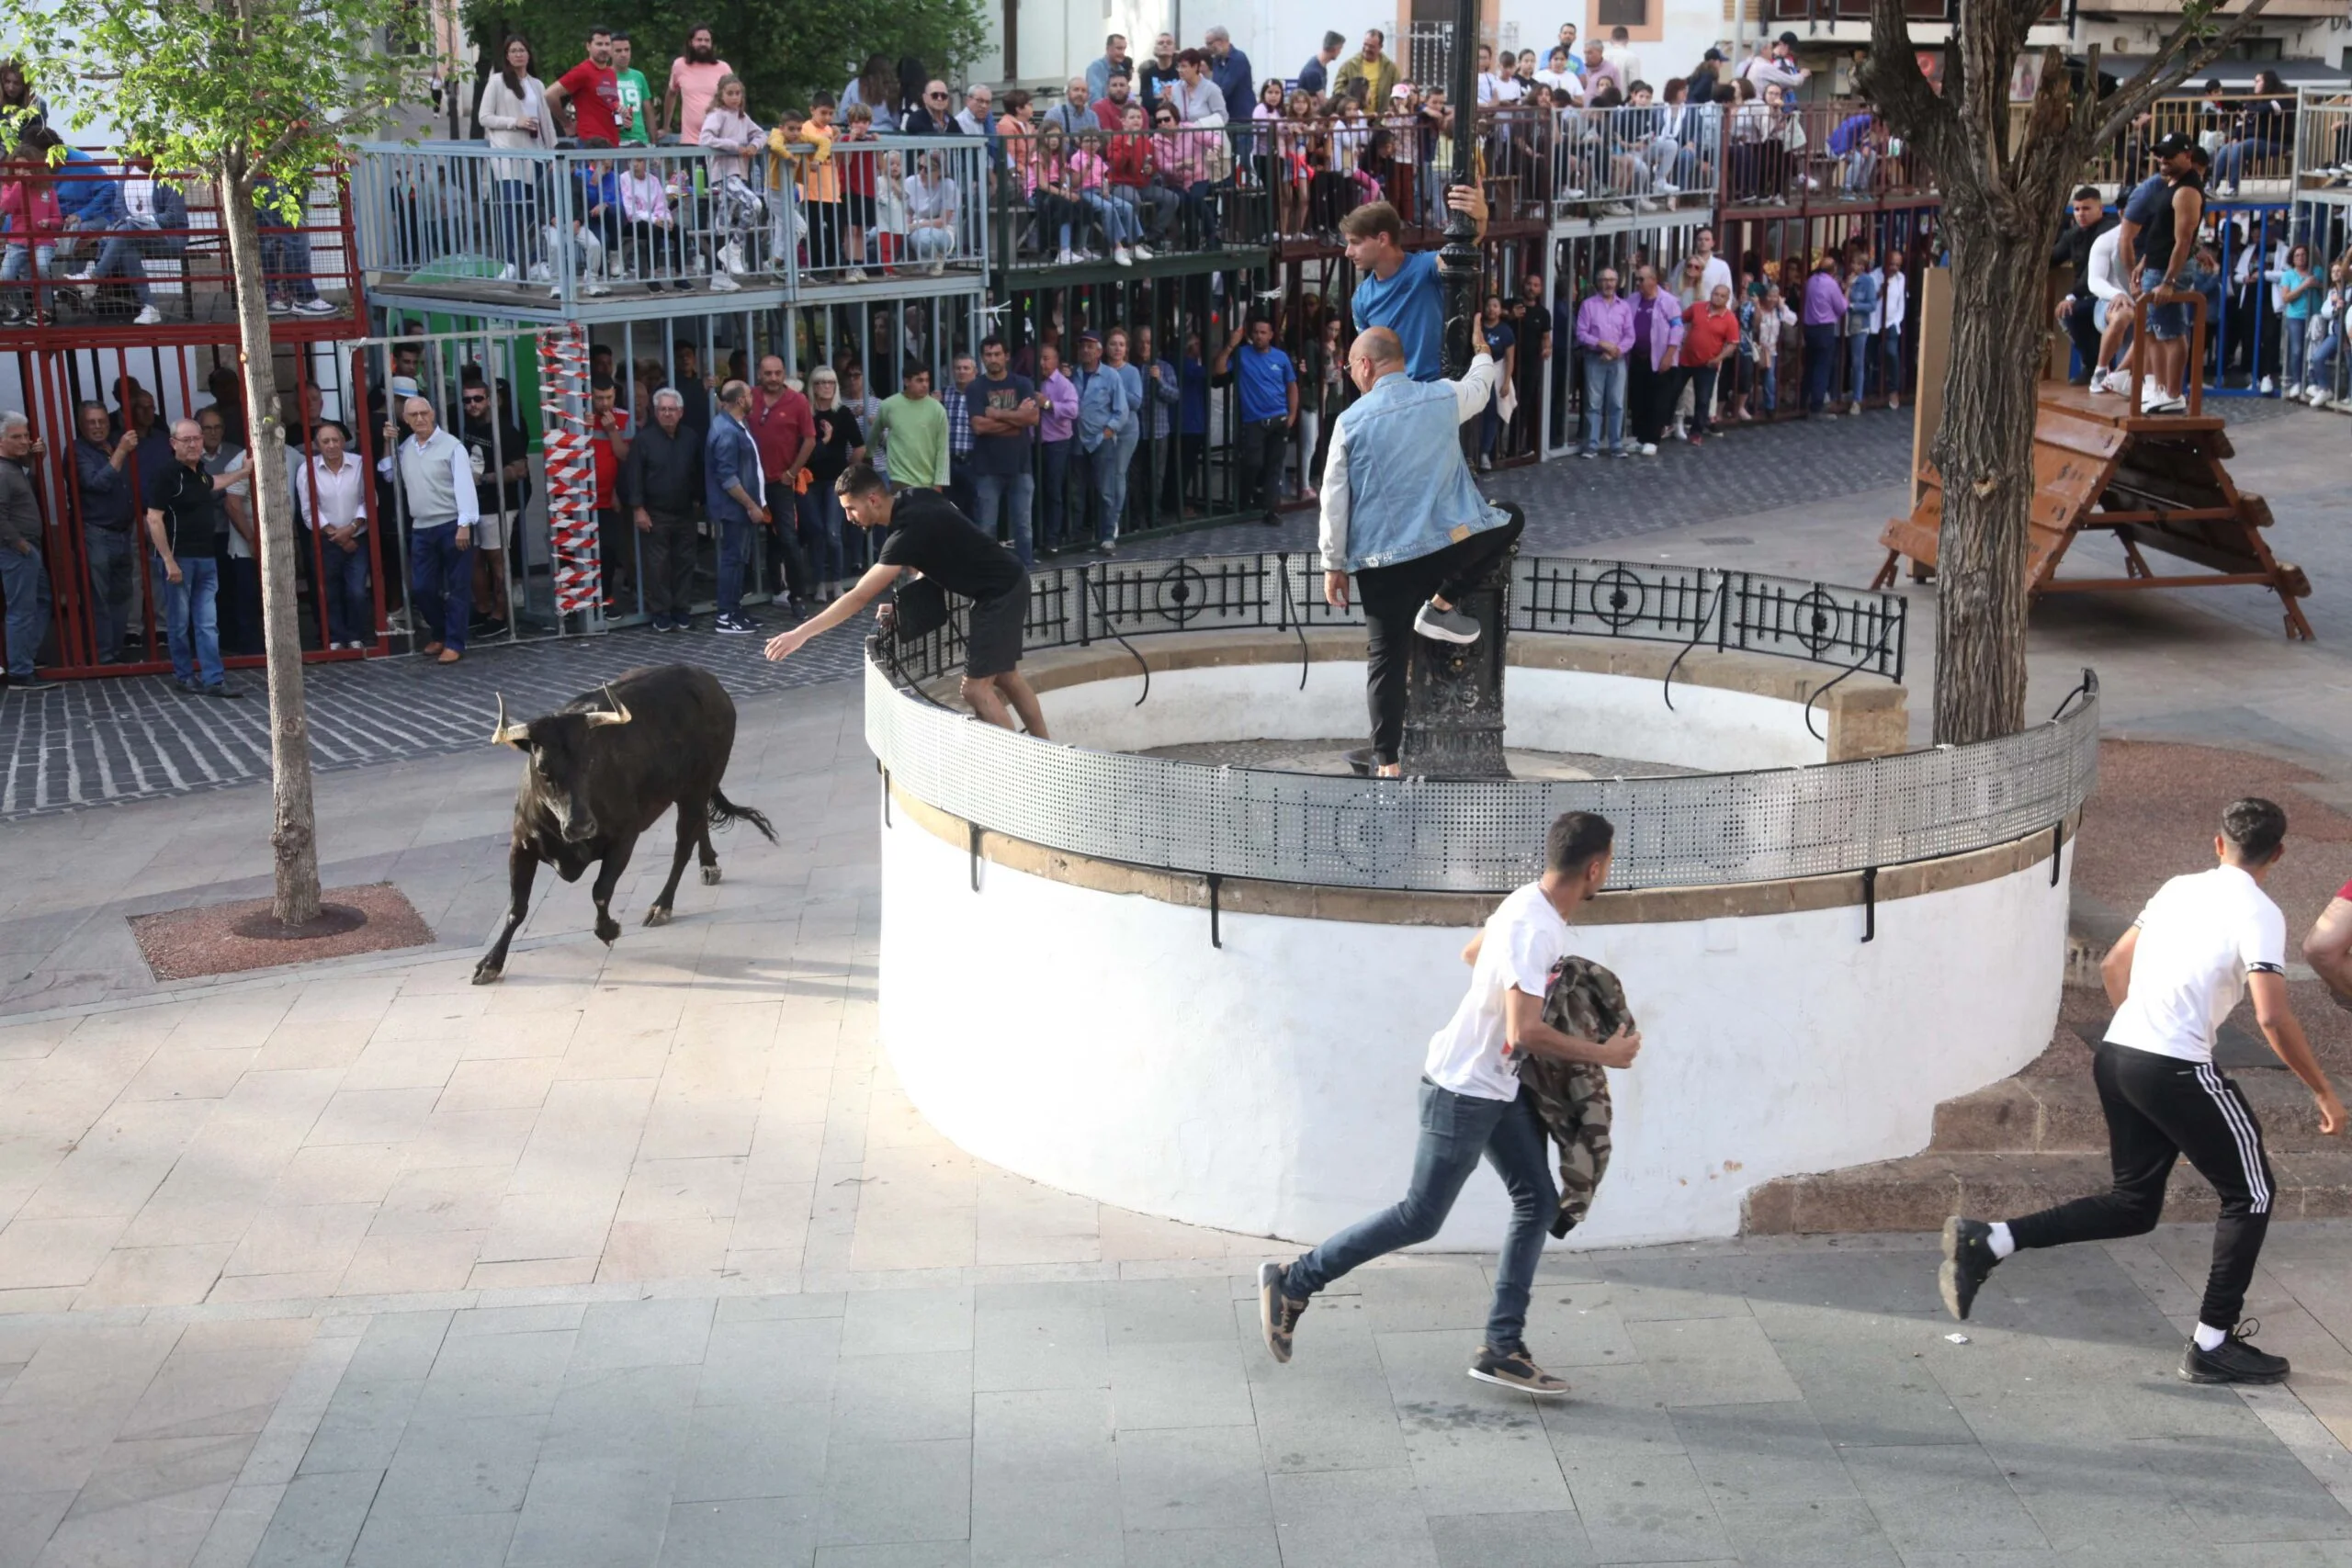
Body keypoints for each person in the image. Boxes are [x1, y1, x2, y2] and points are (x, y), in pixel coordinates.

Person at [1939, 799, 2345, 1384]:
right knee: (2251, 1194)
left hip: (2117, 1052)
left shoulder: (2177, 887)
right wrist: (2323, 1091)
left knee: (2134, 1205)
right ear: (2279, 853)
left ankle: (1992, 1240)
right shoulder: (2261, 912)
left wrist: (2139, 1035)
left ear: (2217, 844)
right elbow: (2273, 1017)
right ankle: (2212, 1343)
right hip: (2173, 1067)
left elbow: (2112, 968)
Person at [1259, 810, 1640, 1392]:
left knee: (1536, 1202)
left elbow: (1472, 954)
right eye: (1608, 865)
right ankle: (1294, 1281)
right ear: (1595, 868)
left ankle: (1502, 1348)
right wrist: (1602, 1053)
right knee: (1420, 1216)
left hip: (1496, 1088)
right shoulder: (1535, 928)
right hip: (1463, 1091)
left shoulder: (1528, 905)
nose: (1606, 874)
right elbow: (1523, 1033)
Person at [1317, 325, 1525, 775]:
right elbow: (1478, 387)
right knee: (1509, 516)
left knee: (1385, 658)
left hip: (1381, 563)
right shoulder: (1441, 398)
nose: (1351, 374)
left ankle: (1387, 764)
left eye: (1351, 366)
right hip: (1442, 550)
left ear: (1366, 365)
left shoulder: (1349, 421)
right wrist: (1482, 351)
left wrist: (1333, 565)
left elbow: (1335, 498)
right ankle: (1443, 603)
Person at [764, 464, 1048, 739]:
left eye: (851, 508)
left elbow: (859, 596)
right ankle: (1044, 748)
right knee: (1007, 676)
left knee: (974, 690)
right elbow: (938, 551)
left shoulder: (905, 535)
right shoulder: (917, 496)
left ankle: (1020, 770)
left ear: (872, 499)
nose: (849, 517)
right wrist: (905, 605)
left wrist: (800, 634)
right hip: (1008, 581)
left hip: (999, 594)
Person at [144, 420, 246, 697]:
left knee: (207, 623)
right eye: (186, 440)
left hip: (206, 559)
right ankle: (184, 676)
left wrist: (244, 471)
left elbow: (215, 483)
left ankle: (214, 679)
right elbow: (153, 519)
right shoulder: (166, 474)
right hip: (179, 560)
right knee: (179, 624)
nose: (192, 444)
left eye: (196, 439)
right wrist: (168, 560)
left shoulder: (199, 472)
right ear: (173, 443)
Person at [1343, 194, 1487, 381]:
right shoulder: (1360, 298)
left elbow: (1464, 249)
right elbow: (1367, 364)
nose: (1348, 252)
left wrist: (1481, 218)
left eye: (1355, 242)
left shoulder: (1426, 267)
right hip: (1396, 401)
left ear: (1382, 239)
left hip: (1438, 392)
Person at [378, 396, 476, 662]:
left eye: (424, 413)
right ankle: (441, 633)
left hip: (451, 525)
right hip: (421, 527)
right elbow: (388, 473)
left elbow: (465, 486)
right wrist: (389, 441)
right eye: (413, 415)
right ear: (405, 420)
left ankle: (454, 643)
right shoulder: (407, 446)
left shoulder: (452, 446)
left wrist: (464, 524)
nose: (420, 419)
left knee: (457, 588)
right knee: (422, 588)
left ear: (433, 414)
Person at [2121, 135, 2205, 414]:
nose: (2163, 160)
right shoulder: (2169, 185)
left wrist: (2169, 281)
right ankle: (2158, 388)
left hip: (2168, 270)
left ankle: (2173, 392)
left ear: (2187, 155)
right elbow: (2161, 231)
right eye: (2160, 155)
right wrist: (2144, 261)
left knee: (2171, 330)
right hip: (2155, 264)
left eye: (2170, 155)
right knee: (2153, 331)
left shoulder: (2187, 191)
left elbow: (2183, 240)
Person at [620, 387, 703, 632]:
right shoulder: (643, 440)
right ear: (655, 412)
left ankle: (681, 609)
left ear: (681, 412)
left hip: (685, 511)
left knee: (685, 562)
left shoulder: (690, 437)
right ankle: (661, 612)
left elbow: (698, 471)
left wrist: (699, 500)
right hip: (654, 512)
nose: (667, 414)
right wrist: (638, 509)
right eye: (662, 409)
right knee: (657, 566)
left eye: (672, 409)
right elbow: (633, 476)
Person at [454, 376, 527, 637]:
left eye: (478, 398)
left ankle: (501, 614)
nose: (472, 404)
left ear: (489, 400)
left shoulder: (505, 430)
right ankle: (484, 609)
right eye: (467, 400)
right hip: (472, 506)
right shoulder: (465, 426)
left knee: (497, 560)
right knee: (473, 559)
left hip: (500, 505)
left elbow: (520, 469)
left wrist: (483, 479)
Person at [71, 400, 140, 663]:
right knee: (98, 596)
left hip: (123, 531)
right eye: (91, 422)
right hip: (95, 532)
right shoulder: (77, 451)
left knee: (122, 594)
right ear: (81, 425)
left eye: (102, 421)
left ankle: (116, 649)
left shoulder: (111, 445)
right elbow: (95, 483)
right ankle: (102, 654)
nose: (98, 427)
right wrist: (121, 452)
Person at [1212, 315, 1298, 525]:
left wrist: (1292, 415)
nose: (1259, 336)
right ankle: (1244, 500)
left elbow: (1292, 387)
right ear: (1251, 335)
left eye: (1263, 333)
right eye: (1256, 332)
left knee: (1274, 466)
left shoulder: (1281, 357)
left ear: (1271, 335)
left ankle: (1271, 510)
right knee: (1253, 463)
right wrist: (1231, 346)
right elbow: (1220, 370)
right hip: (1253, 420)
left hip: (1278, 418)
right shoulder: (1242, 354)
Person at [962, 335, 1039, 566]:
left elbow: (1033, 418)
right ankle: (989, 572)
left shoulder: (1022, 383)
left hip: (1020, 465)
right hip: (987, 468)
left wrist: (996, 414)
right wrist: (1017, 417)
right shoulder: (976, 387)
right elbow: (978, 426)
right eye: (988, 355)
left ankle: (1026, 572)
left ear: (1006, 356)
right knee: (986, 526)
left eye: (997, 354)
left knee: (1023, 526)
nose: (993, 359)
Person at [293, 421, 370, 650]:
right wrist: (335, 534)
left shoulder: (359, 464)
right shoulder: (307, 469)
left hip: (357, 538)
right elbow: (308, 509)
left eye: (336, 440)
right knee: (329, 591)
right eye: (325, 441)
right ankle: (335, 637)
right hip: (325, 540)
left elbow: (368, 500)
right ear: (317, 445)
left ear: (343, 442)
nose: (331, 445)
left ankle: (356, 634)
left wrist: (351, 529)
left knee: (356, 590)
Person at [747, 355, 817, 609]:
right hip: (750, 483)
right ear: (759, 374)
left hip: (781, 482)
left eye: (778, 373)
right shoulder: (749, 397)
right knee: (747, 539)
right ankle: (768, 589)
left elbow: (810, 439)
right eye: (768, 373)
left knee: (788, 538)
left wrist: (792, 473)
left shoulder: (797, 401)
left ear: (784, 373)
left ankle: (797, 596)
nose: (773, 378)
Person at [704, 378, 767, 636]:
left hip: (738, 508)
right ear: (741, 400)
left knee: (739, 559)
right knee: (733, 559)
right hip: (735, 509)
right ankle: (726, 615)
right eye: (750, 395)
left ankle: (734, 608)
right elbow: (728, 477)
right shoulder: (727, 431)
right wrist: (752, 505)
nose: (753, 399)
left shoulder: (734, 424)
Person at [195, 407, 259, 657]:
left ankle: (232, 640)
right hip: (201, 534)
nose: (213, 432)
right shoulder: (191, 455)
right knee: (205, 591)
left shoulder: (235, 452)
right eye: (207, 428)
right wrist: (225, 488)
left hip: (229, 533)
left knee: (232, 589)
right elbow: (200, 492)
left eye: (217, 427)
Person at [0, 412, 55, 693]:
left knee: (43, 599)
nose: (24, 441)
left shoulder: (12, 468)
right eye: (17, 437)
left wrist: (35, 461)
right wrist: (21, 545)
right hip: (17, 549)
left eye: (25, 435)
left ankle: (24, 658)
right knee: (21, 609)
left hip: (26, 547)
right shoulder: (2, 471)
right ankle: (20, 672)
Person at [801, 367, 865, 595]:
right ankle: (819, 582)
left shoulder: (843, 413)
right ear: (813, 386)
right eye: (820, 382)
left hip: (834, 481)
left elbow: (860, 445)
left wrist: (848, 470)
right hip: (808, 480)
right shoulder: (805, 413)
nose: (826, 387)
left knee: (832, 532)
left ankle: (837, 581)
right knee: (816, 532)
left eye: (830, 382)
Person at [2052, 186, 2115, 386]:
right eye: (2077, 209)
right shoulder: (2074, 234)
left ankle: (2101, 369)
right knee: (2070, 316)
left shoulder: (2109, 230)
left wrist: (2071, 296)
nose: (2081, 214)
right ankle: (2094, 367)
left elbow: (2093, 273)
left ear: (2100, 208)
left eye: (2086, 208)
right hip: (2084, 295)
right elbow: (2052, 258)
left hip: (2108, 295)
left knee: (2074, 312)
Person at [868, 364, 950, 496]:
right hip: (898, 478)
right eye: (919, 380)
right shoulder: (889, 405)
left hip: (927, 480)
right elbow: (875, 432)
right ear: (906, 381)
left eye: (927, 380)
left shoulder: (937, 410)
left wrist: (939, 483)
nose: (925, 385)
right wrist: (868, 455)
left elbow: (942, 449)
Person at [1626, 265, 1683, 453]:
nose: (1638, 283)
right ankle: (1640, 437)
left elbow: (1677, 328)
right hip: (1638, 357)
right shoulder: (1632, 300)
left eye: (1641, 279)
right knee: (1639, 399)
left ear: (1653, 280)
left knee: (1658, 400)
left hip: (1661, 358)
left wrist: (1669, 355)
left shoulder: (1668, 301)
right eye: (1637, 279)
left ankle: (1653, 438)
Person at [1678, 282, 1739, 444]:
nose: (1717, 297)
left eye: (1721, 295)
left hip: (1707, 364)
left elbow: (1732, 344)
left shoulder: (1730, 318)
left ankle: (1696, 433)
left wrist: (1717, 359)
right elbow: (1680, 320)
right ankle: (1665, 425)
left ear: (1727, 299)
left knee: (1703, 400)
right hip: (1685, 360)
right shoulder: (1697, 307)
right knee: (1672, 392)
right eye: (1715, 293)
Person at [543, 26, 623, 148]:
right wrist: (566, 123)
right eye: (599, 44)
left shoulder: (611, 73)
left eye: (607, 44)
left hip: (612, 142)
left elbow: (608, 104)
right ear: (588, 46)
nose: (604, 48)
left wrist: (622, 114)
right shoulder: (583, 71)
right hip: (591, 144)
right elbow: (550, 94)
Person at [1033, 343, 1079, 555]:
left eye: (1047, 358)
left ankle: (1052, 537)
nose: (1042, 362)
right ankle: (1037, 535)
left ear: (1056, 361)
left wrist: (1049, 405)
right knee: (1035, 489)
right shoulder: (1032, 381)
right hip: (1034, 442)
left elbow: (1073, 410)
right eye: (1040, 358)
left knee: (1053, 490)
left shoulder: (1063, 384)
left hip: (1056, 443)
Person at [661, 25, 730, 142]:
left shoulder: (723, 68)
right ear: (690, 42)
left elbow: (735, 99)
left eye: (707, 40)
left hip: (719, 141)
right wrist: (666, 127)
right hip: (690, 141)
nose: (703, 43)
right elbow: (671, 94)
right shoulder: (680, 65)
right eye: (699, 40)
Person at [1800, 253, 1847, 417]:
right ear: (1833, 270)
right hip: (1824, 328)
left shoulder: (1810, 281)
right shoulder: (1832, 284)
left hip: (1809, 327)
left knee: (1810, 365)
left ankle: (1802, 399)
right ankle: (1817, 405)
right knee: (1823, 366)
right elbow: (1841, 308)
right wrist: (1846, 293)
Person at [1872, 249, 1907, 408]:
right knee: (1871, 356)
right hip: (1874, 323)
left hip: (1891, 323)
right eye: (1892, 264)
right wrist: (1881, 291)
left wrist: (1897, 321)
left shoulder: (1901, 279)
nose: (1894, 268)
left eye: (1897, 265)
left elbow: (1901, 302)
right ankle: (1870, 390)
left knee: (1892, 354)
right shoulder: (1874, 276)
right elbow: (1870, 300)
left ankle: (1894, 390)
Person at [1332, 30, 1399, 108]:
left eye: (1371, 46)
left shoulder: (1390, 68)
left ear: (1380, 47)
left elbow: (1397, 91)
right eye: (1365, 44)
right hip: (1355, 117)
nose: (1367, 49)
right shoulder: (1349, 66)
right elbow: (1337, 90)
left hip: (1379, 118)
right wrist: (1353, 98)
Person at [609, 32, 651, 143]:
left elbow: (648, 111)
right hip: (615, 141)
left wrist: (653, 142)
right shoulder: (603, 76)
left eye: (627, 50)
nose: (624, 54)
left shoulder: (639, 76)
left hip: (640, 140)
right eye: (618, 51)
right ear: (610, 52)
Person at [1203, 26, 1253, 118]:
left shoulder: (1238, 59)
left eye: (1209, 43)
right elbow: (1215, 86)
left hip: (1241, 118)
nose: (1207, 47)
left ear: (1221, 41)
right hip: (1226, 116)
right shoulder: (1216, 60)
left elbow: (1225, 89)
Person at [1086, 34, 1131, 104]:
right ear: (1108, 49)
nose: (1122, 53)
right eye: (1119, 48)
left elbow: (1127, 97)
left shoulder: (1122, 70)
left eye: (1124, 49)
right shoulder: (1096, 68)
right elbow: (1095, 101)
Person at [1299, 31, 1344, 99]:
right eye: (1340, 48)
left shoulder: (1321, 66)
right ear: (1334, 49)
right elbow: (1322, 102)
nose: (1340, 52)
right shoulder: (1314, 72)